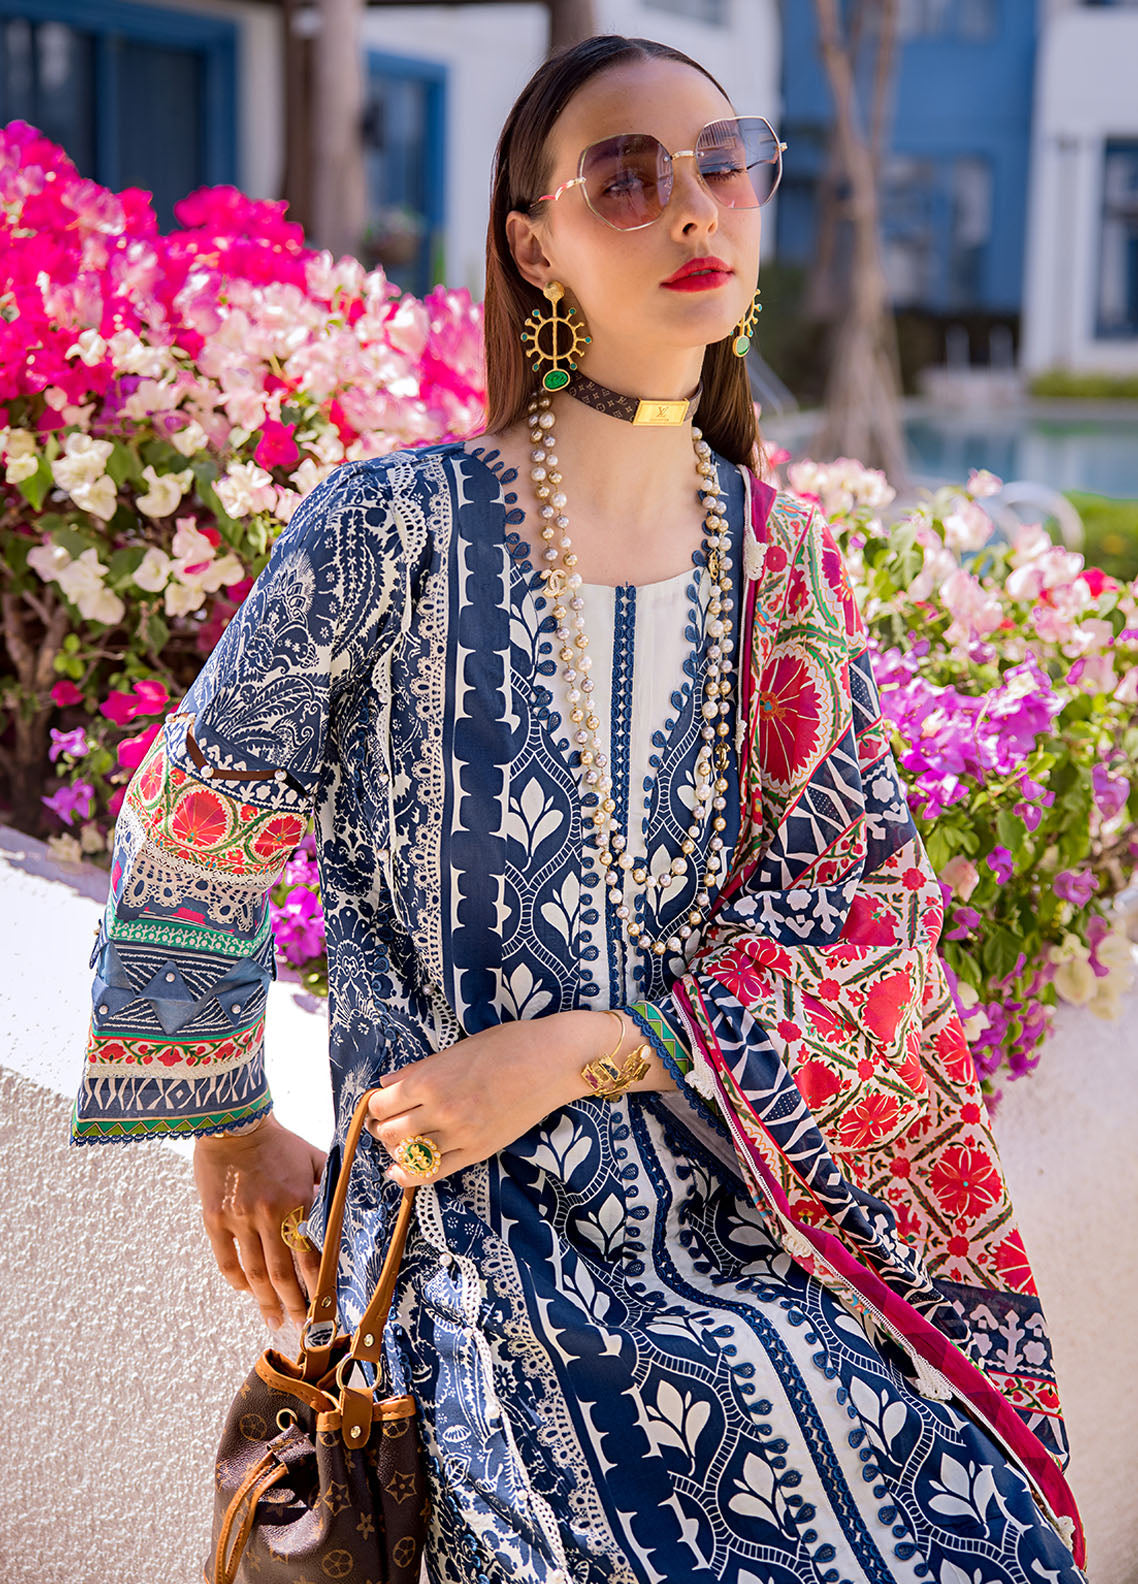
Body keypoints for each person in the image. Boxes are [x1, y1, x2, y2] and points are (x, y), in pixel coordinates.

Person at [73, 32, 1088, 1584]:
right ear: (532, 247)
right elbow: (201, 818)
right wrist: (224, 1122)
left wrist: (583, 1051)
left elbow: (858, 919)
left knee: (967, 1528)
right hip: (467, 1237)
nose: (691, 207)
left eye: (724, 166)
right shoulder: (391, 530)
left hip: (732, 1212)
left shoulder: (775, 562)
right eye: (625, 179)